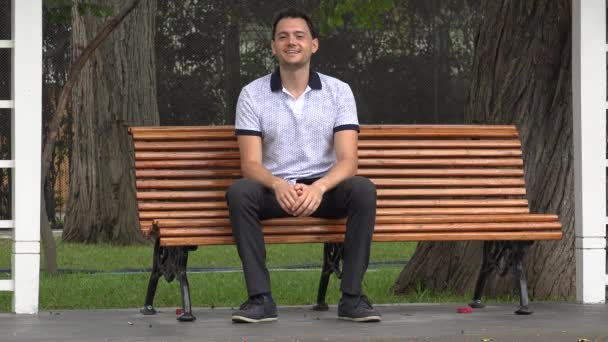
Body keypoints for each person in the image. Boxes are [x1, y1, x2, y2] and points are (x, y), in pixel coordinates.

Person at [226, 7, 380, 323]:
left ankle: (352, 299)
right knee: (240, 192)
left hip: (324, 191)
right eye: (283, 37)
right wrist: (278, 185)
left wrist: (320, 186)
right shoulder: (252, 95)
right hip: (276, 190)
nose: (291, 42)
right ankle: (260, 299)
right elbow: (250, 164)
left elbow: (349, 160)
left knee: (363, 189)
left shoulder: (339, 91)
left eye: (299, 36)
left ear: (314, 45)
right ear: (273, 46)